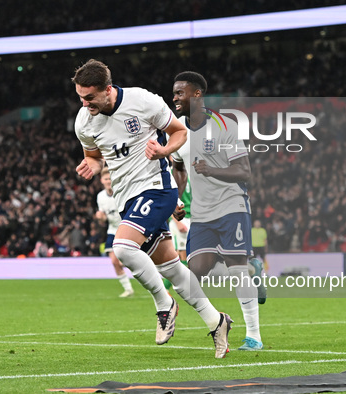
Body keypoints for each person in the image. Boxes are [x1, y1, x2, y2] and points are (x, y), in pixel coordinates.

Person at [71, 59, 231, 358]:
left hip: (157, 188)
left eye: (90, 97)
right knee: (170, 266)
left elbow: (179, 132)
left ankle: (164, 303)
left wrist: (164, 150)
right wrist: (91, 166)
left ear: (108, 89)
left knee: (122, 247)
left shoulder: (141, 100)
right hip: (127, 198)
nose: (85, 103)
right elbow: (94, 156)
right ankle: (216, 321)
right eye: (80, 96)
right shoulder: (84, 121)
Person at [171, 71, 263, 350]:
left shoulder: (224, 125)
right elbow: (177, 166)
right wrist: (177, 197)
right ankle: (251, 269)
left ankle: (254, 337)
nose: (174, 98)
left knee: (235, 272)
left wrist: (211, 169)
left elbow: (244, 172)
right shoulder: (177, 129)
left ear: (197, 94)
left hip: (231, 204)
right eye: (173, 93)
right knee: (193, 274)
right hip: (201, 212)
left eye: (180, 93)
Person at [96, 167, 134, 297]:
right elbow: (103, 217)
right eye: (105, 179)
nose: (108, 181)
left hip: (127, 228)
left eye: (109, 178)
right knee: (114, 262)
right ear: (102, 180)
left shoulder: (121, 192)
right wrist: (101, 217)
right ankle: (128, 289)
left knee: (126, 260)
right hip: (112, 230)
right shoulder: (100, 196)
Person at [164, 165, 191, 292]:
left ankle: (170, 287)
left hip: (193, 218)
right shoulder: (170, 172)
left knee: (190, 256)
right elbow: (167, 197)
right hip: (181, 218)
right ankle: (166, 288)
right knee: (181, 255)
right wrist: (176, 221)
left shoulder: (192, 172)